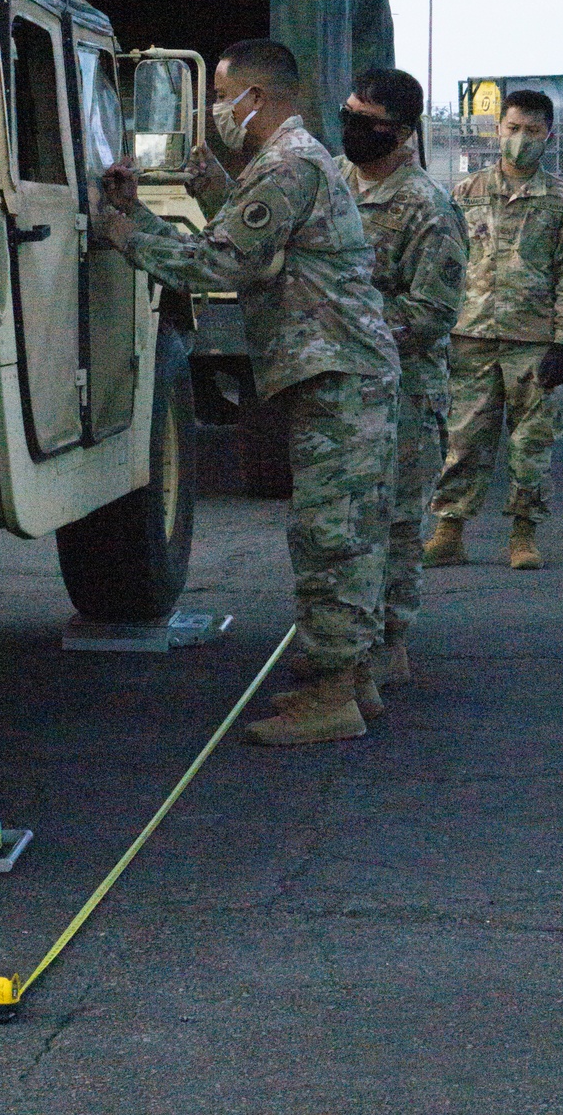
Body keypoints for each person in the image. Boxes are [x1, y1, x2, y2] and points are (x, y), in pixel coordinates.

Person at [96, 39, 400, 745]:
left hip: (338, 376)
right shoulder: (286, 161)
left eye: (221, 95)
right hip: (340, 372)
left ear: (253, 100)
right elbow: (249, 229)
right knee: (345, 534)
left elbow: (221, 262)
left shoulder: (289, 164)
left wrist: (120, 230)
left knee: (329, 538)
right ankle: (352, 680)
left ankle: (334, 695)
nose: (215, 111)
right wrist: (156, 208)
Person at [424, 89, 563, 569]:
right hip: (470, 336)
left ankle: (523, 535)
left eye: (533, 131)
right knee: (462, 441)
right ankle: (449, 531)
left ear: (550, 136)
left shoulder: (562, 203)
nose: (522, 139)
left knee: (531, 444)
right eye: (514, 128)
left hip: (533, 342)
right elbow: (442, 265)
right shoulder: (463, 194)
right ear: (498, 129)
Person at [337, 69, 467, 685]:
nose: (353, 132)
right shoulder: (334, 181)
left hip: (405, 395)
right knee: (347, 523)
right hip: (343, 390)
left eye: (370, 125)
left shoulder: (428, 208)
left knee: (395, 523)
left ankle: (388, 643)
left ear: (402, 133)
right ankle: (347, 643)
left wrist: (344, 322)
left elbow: (431, 315)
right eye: (349, 116)